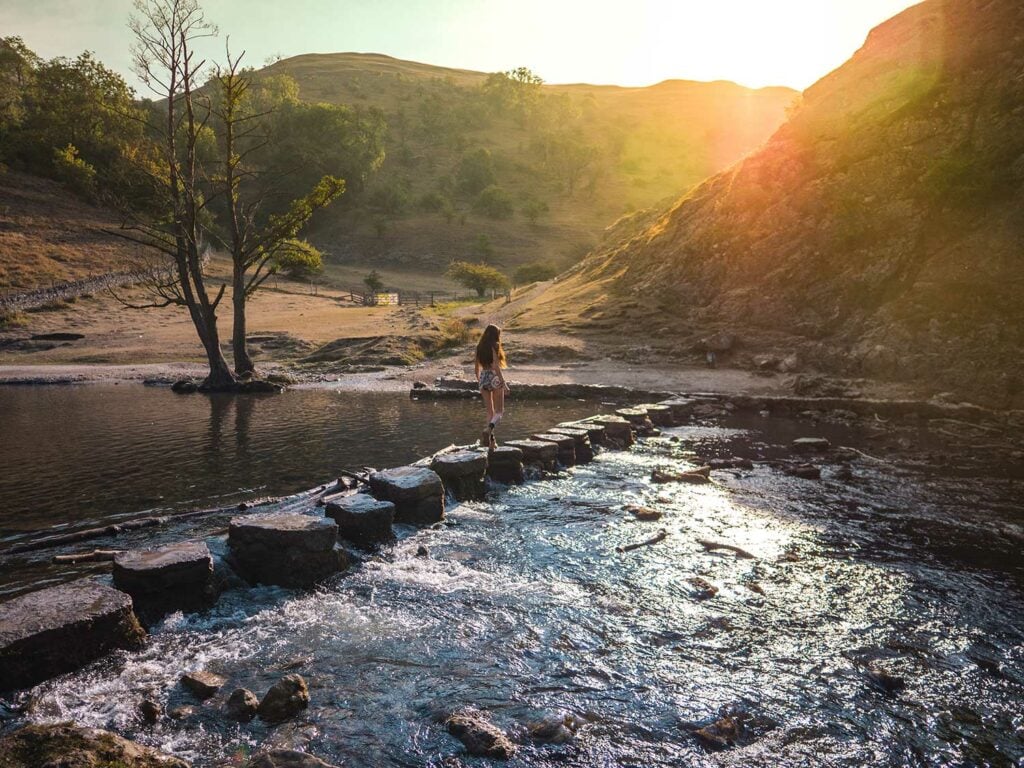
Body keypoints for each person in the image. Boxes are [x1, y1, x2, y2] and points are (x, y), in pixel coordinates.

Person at [474, 324, 510, 449]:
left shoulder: (479, 347)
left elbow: (476, 368)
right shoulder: (494, 345)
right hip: (494, 377)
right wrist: (503, 383)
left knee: (490, 412)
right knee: (499, 412)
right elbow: (495, 365)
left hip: (483, 377)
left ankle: (491, 443)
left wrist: (480, 382)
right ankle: (489, 429)